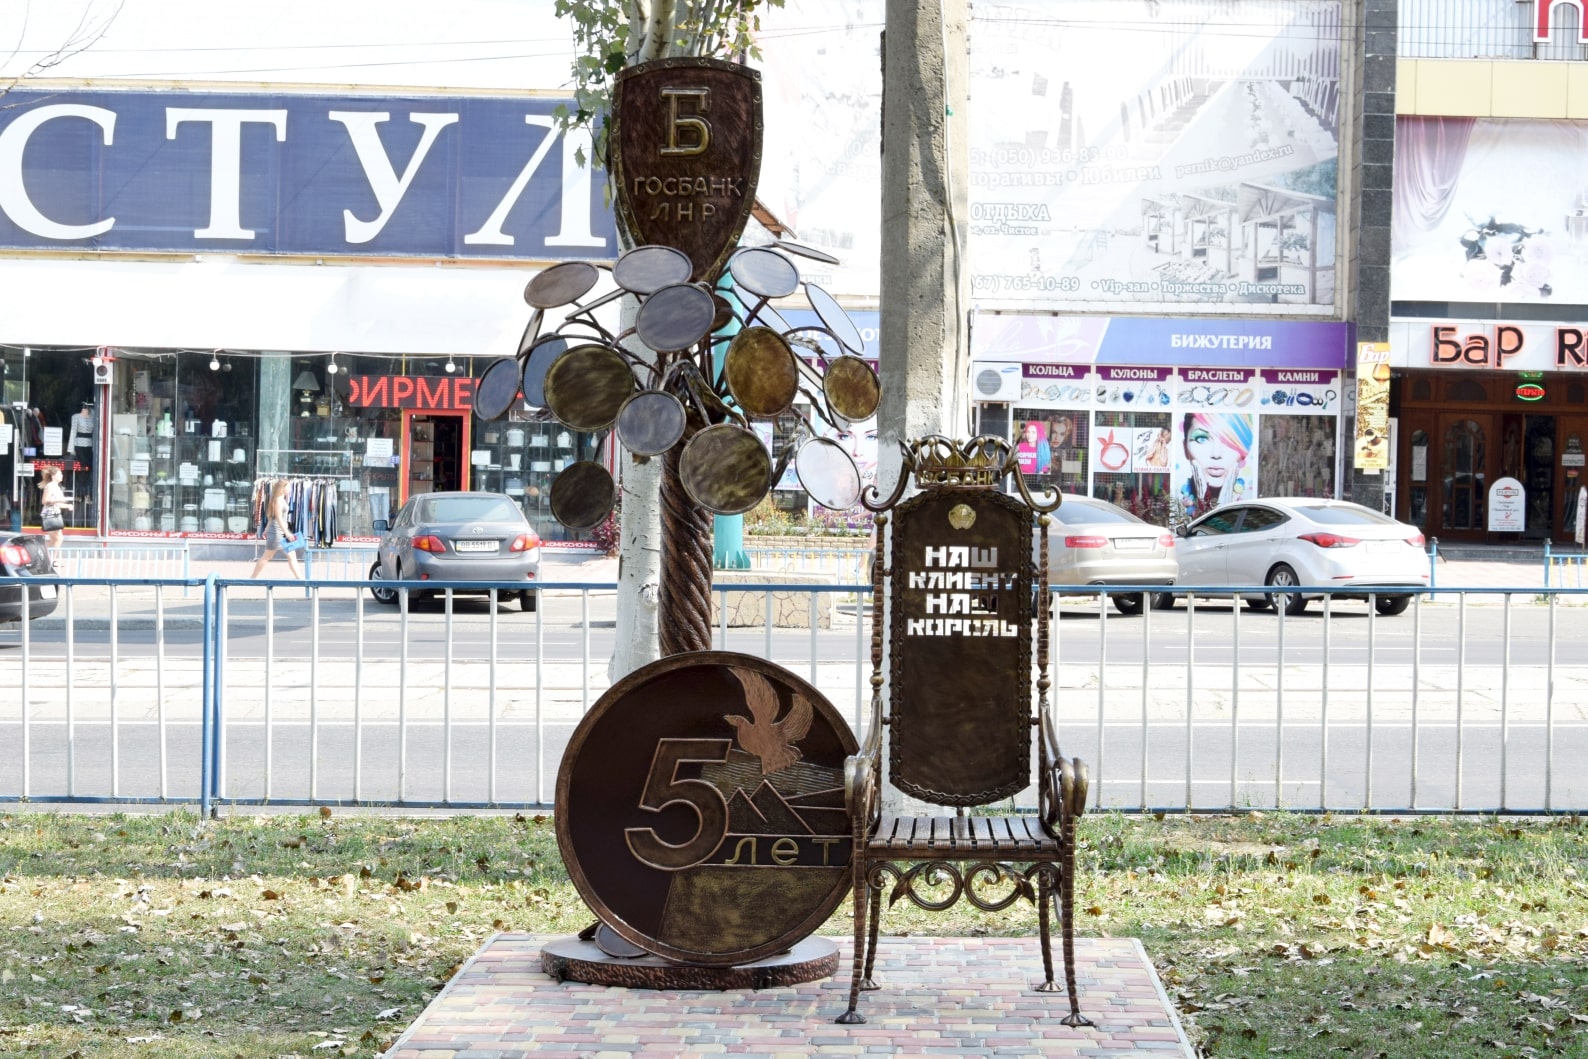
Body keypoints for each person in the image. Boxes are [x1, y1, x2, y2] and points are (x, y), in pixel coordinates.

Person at [1179, 412, 1252, 518]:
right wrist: (1202, 502)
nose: (1216, 454)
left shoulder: (1250, 503)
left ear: (1243, 453)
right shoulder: (1178, 503)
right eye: (1201, 439)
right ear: (1185, 448)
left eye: (1229, 441)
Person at [249, 479, 304, 579]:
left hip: (279, 532)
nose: (290, 489)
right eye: (288, 487)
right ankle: (252, 578)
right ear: (282, 488)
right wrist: (287, 533)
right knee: (267, 556)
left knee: (291, 554)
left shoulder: (281, 499)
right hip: (276, 533)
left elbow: (271, 517)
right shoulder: (278, 500)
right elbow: (278, 518)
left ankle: (299, 578)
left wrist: (266, 529)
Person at [36, 465, 66, 552]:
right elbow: (44, 501)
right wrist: (58, 500)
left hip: (55, 514)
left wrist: (67, 506)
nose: (62, 475)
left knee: (54, 540)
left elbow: (57, 504)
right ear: (53, 476)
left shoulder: (56, 486)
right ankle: (51, 558)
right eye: (60, 474)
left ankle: (42, 554)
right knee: (58, 539)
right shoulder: (50, 486)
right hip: (50, 515)